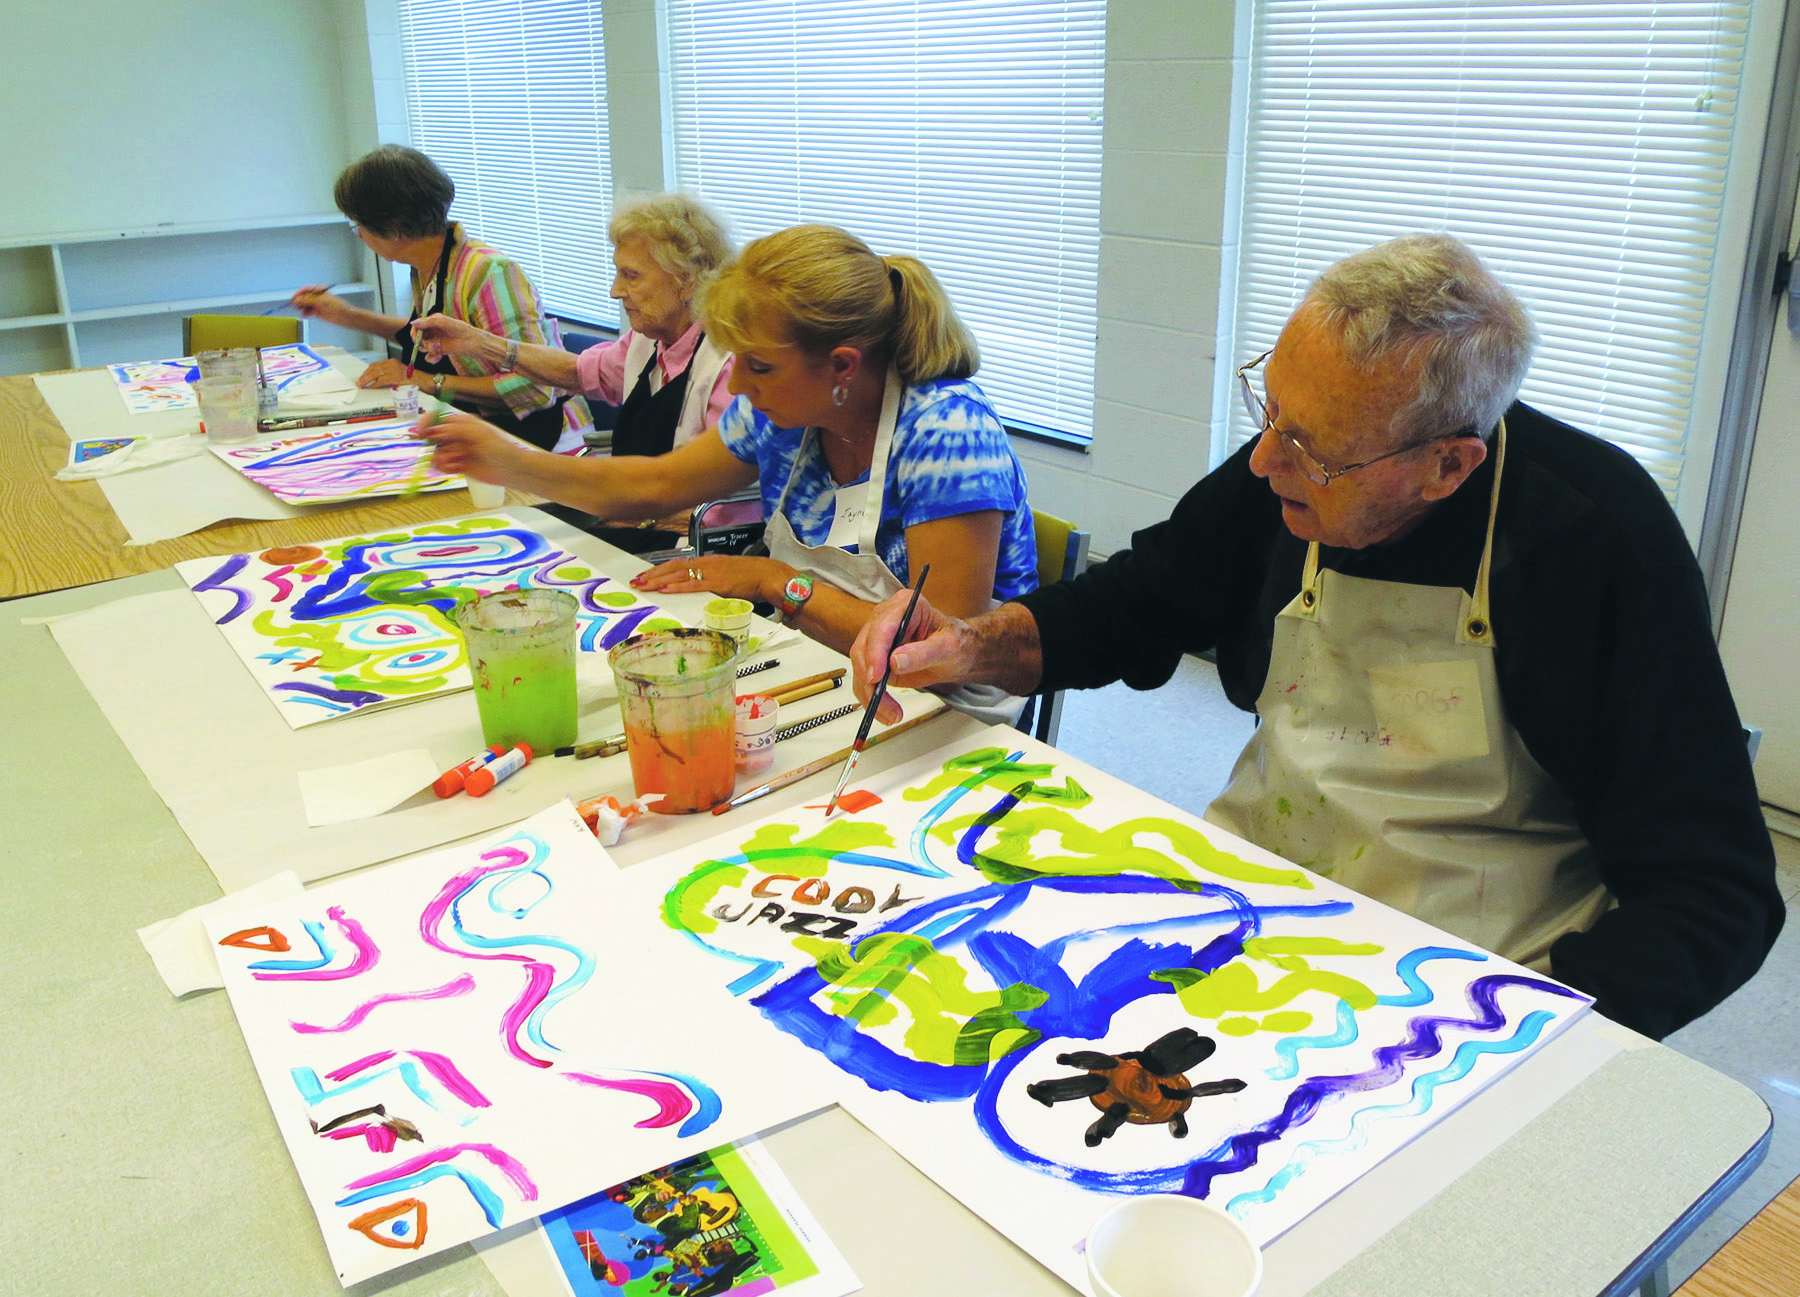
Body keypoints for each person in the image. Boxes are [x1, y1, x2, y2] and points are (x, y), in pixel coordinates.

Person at [850, 232, 1782, 1040]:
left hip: (1471, 963)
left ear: (1448, 465)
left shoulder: (1595, 537)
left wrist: (1533, 1034)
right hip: (1260, 891)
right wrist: (969, 643)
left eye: (1311, 449)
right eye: (1270, 413)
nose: (1264, 461)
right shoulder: (1285, 464)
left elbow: (1715, 893)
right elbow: (1131, 606)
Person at [420, 223, 1038, 720]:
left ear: (842, 366)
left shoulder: (946, 434)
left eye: (760, 367)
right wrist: (510, 460)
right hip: (822, 661)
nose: (737, 383)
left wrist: (775, 581)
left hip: (940, 713)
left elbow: (931, 652)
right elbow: (657, 485)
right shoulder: (784, 409)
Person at [289, 144, 588, 450]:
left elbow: (536, 388)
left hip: (545, 440)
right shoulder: (428, 264)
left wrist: (423, 380)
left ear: (393, 229)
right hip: (477, 423)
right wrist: (347, 316)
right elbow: (424, 337)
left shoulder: (490, 274)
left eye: (359, 225)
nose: (360, 235)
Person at [412, 192, 735, 458]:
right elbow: (577, 372)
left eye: (631, 275)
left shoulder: (726, 366)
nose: (615, 291)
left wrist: (511, 458)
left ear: (687, 280)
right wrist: (479, 342)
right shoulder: (648, 341)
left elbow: (713, 496)